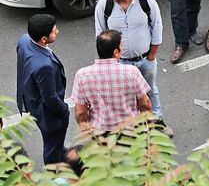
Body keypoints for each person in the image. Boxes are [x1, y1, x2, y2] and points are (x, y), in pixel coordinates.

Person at [94, 0, 172, 137]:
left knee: (151, 90)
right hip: (120, 63)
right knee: (124, 96)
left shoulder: (146, 1)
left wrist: (151, 57)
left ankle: (157, 121)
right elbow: (100, 35)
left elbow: (157, 28)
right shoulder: (104, 5)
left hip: (145, 59)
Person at [72, 30, 152, 133]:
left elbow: (80, 113)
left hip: (100, 134)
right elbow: (145, 104)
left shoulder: (82, 75)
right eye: (121, 47)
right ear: (116, 52)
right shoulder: (131, 72)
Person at [16, 14, 69, 165]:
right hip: (49, 114)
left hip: (32, 100)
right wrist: (63, 109)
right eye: (54, 31)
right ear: (44, 39)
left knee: (54, 142)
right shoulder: (44, 66)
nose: (57, 31)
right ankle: (53, 174)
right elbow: (50, 98)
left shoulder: (25, 40)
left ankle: (60, 150)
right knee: (52, 145)